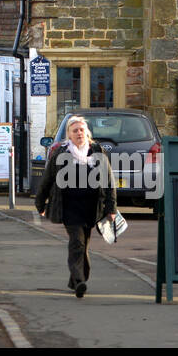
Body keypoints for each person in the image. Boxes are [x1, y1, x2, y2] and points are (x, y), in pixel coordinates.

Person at [35, 116, 116, 299]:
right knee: (77, 243)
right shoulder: (61, 154)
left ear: (86, 132)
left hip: (91, 207)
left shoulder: (97, 151)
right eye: (75, 131)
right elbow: (47, 180)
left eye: (81, 130)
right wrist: (40, 203)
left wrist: (111, 208)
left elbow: (109, 182)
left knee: (84, 244)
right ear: (69, 135)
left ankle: (75, 280)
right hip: (69, 207)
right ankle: (80, 281)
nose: (79, 133)